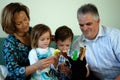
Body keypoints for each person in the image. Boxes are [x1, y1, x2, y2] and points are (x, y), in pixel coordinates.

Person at [1, 2, 57, 80]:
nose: (25, 24)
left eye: (25, 19)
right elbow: (13, 72)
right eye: (19, 23)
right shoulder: (9, 43)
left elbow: (49, 37)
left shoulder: (33, 31)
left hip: (42, 75)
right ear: (12, 25)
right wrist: (36, 66)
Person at [72, 3, 120, 80]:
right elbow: (85, 72)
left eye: (88, 24)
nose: (84, 29)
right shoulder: (77, 44)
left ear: (98, 21)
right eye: (81, 25)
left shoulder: (115, 36)